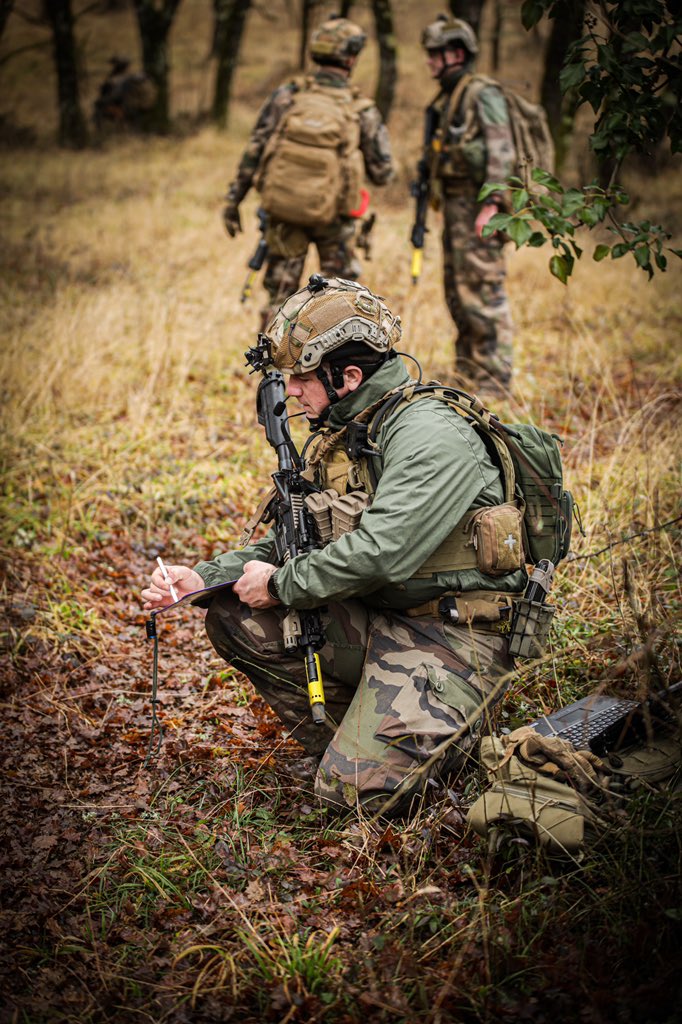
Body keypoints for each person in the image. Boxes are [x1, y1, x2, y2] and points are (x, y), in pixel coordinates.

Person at [142, 276, 527, 817]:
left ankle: (447, 740)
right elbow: (302, 537)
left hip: (454, 633)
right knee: (233, 612)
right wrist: (205, 577)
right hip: (382, 612)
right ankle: (364, 736)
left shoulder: (429, 434)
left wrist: (279, 586)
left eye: (301, 378)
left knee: (349, 798)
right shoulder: (351, 427)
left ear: (348, 376)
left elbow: (381, 552)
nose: (292, 391)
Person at [222, 16, 394, 328]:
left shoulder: (287, 96)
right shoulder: (361, 109)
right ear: (352, 59)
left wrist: (233, 201)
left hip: (286, 215)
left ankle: (271, 373)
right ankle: (330, 373)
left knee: (281, 298)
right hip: (336, 223)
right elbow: (383, 171)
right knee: (338, 302)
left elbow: (255, 150)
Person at [419, 14, 515, 394]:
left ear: (456, 53)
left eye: (434, 54)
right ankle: (469, 372)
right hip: (459, 209)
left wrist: (492, 203)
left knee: (484, 291)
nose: (429, 62)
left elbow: (501, 149)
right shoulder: (451, 95)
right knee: (459, 292)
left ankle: (495, 379)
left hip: (479, 209)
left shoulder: (481, 93)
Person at [93, 56, 156, 133]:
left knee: (100, 108)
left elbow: (113, 97)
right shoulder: (136, 77)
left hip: (126, 108)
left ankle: (103, 133)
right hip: (143, 107)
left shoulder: (115, 80)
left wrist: (103, 101)